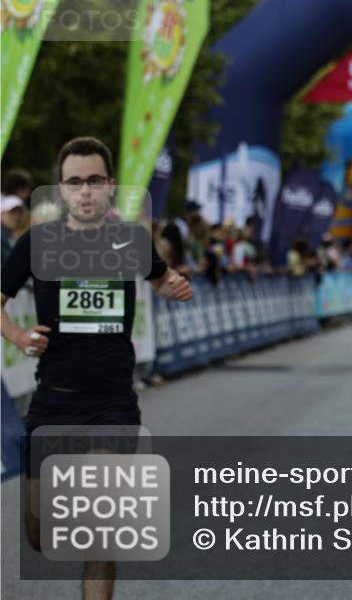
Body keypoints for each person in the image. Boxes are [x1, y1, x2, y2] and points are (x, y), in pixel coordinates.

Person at [1, 137, 194, 600]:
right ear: (61, 190)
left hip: (113, 405)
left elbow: (161, 278)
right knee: (40, 534)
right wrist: (20, 337)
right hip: (54, 403)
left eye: (93, 181)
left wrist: (175, 286)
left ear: (109, 186)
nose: (84, 191)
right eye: (74, 182)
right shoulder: (37, 243)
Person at [2, 195, 29, 264]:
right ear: (1, 214)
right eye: (12, 212)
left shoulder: (12, 237)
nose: (16, 217)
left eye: (20, 213)